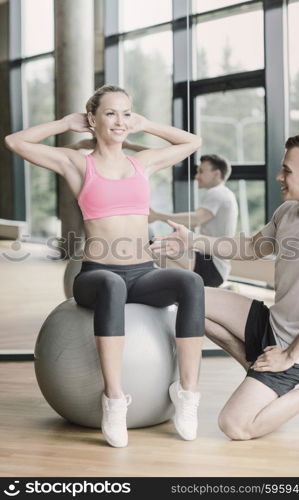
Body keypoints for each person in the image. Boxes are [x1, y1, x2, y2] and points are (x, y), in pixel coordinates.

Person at [4, 84, 205, 447]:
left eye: (126, 113)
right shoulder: (77, 162)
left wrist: (146, 124)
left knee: (190, 283)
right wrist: (64, 122)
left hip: (144, 272)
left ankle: (187, 395)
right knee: (112, 284)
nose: (120, 120)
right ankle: (114, 400)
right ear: (92, 120)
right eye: (110, 113)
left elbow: (192, 142)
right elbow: (15, 141)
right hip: (96, 274)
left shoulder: (141, 162)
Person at [151, 134, 299, 440]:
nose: (279, 176)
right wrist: (192, 240)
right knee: (189, 297)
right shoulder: (287, 213)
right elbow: (251, 248)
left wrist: (290, 355)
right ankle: (259, 370)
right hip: (274, 322)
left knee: (235, 425)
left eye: (287, 171)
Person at [149, 154, 238, 287]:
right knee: (157, 254)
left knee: (152, 248)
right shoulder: (225, 194)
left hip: (211, 267)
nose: (197, 176)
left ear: (216, 174)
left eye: (201, 171)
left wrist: (157, 216)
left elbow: (196, 219)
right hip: (213, 267)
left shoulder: (217, 193)